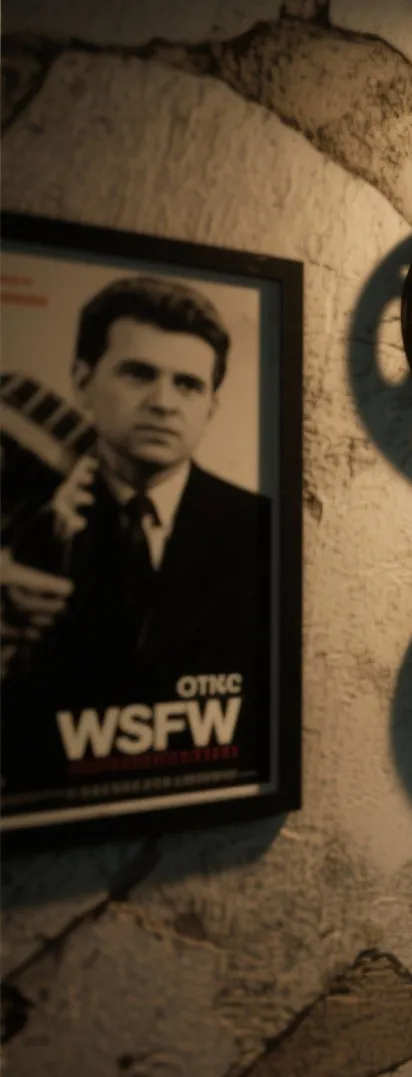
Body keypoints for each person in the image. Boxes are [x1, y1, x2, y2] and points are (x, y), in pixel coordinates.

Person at [2, 276, 271, 773]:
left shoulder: (262, 529)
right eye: (138, 374)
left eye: (188, 384)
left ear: (211, 405)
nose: (163, 403)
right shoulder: (21, 520)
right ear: (82, 381)